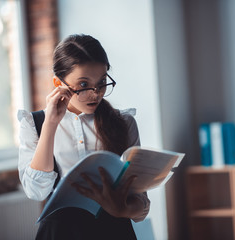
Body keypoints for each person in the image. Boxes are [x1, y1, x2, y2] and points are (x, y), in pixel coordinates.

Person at [17, 34, 150, 239]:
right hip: (59, 233)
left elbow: (141, 203)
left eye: (102, 82)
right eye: (83, 84)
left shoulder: (124, 123)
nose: (95, 93)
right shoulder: (33, 124)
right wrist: (51, 123)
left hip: (114, 232)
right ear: (58, 83)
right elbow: (36, 191)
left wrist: (121, 210)